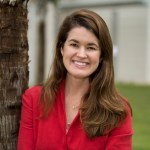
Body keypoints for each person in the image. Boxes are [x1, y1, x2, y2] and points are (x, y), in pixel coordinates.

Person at [17, 9, 133, 150]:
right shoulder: (34, 99)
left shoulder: (118, 111)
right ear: (62, 48)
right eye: (74, 45)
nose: (81, 54)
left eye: (91, 47)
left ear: (101, 55)